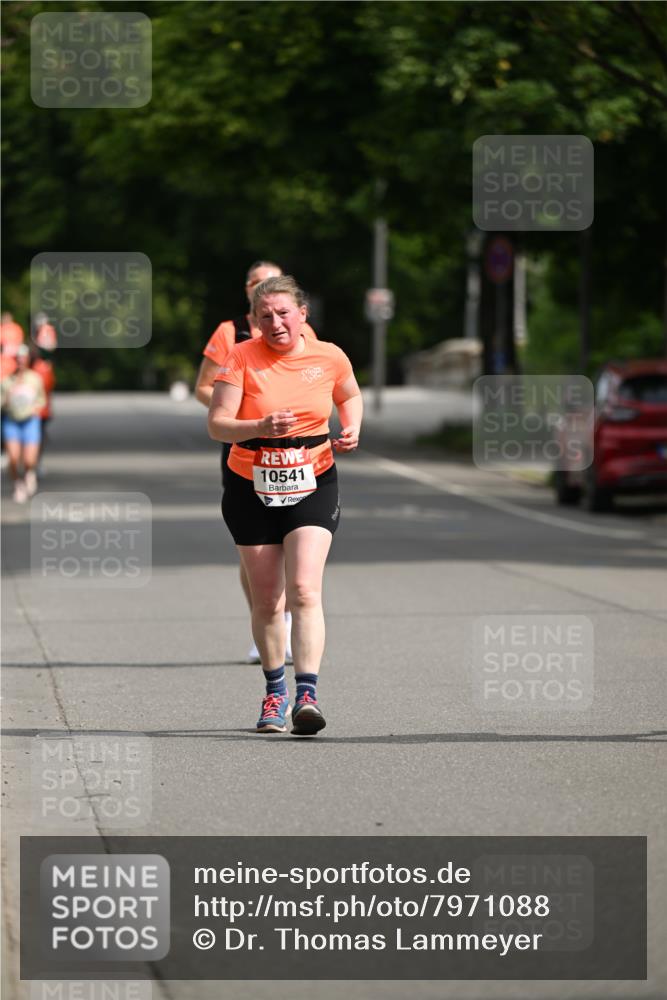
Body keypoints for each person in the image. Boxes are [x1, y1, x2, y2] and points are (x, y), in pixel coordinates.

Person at [208, 275, 362, 735]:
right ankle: (275, 692)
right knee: (268, 599)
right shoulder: (241, 357)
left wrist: (352, 425)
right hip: (250, 485)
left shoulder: (329, 355)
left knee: (304, 591)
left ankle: (307, 696)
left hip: (314, 479)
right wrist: (259, 426)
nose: (275, 323)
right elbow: (217, 424)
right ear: (255, 321)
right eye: (265, 316)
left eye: (283, 313)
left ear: (302, 315)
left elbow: (350, 393)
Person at [196, 260, 317, 665]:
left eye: (272, 280)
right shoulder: (230, 332)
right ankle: (265, 620)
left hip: (293, 452)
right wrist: (240, 410)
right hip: (244, 446)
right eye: (256, 282)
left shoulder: (298, 328)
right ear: (247, 289)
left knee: (296, 539)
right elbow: (204, 387)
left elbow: (318, 376)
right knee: (257, 548)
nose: (263, 286)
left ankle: (289, 620)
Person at [1, 344, 46, 502]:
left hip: (30, 421)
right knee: (13, 458)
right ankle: (17, 483)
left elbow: (41, 399)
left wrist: (36, 408)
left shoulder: (34, 379)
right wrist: (7, 397)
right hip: (11, 420)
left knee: (29, 459)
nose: (20, 361)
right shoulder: (7, 381)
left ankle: (29, 473)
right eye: (18, 358)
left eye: (23, 358)